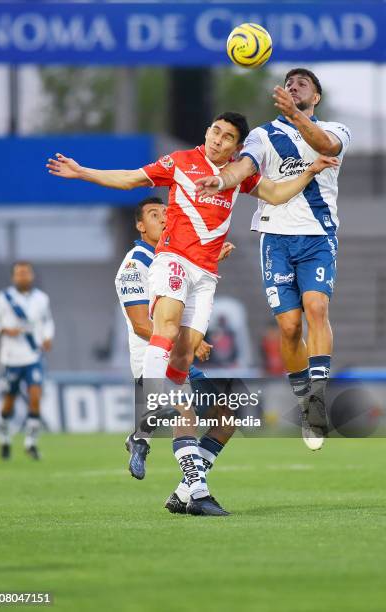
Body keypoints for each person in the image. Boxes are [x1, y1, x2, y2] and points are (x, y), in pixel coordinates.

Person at [47, 111, 338, 514]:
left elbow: (273, 194)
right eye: (214, 131)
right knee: (165, 329)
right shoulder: (180, 162)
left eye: (227, 136)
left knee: (184, 356)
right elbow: (131, 178)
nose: (218, 139)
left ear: (237, 146)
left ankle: (155, 451)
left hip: (206, 274)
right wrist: (83, 173)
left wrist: (310, 171)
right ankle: (154, 409)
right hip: (173, 261)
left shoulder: (238, 175)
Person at [195, 69, 351, 451]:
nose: (294, 86)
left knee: (316, 307)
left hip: (317, 235)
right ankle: (304, 397)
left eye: (303, 84)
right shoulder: (263, 135)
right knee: (288, 326)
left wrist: (297, 116)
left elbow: (325, 146)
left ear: (315, 97)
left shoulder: (337, 129)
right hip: (275, 237)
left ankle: (316, 398)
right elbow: (245, 166)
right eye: (290, 82)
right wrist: (222, 180)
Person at [115, 195, 236, 514]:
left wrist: (209, 262)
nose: (165, 219)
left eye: (168, 213)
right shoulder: (134, 265)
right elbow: (143, 325)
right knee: (187, 417)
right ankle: (199, 494)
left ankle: (181, 491)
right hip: (153, 361)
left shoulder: (174, 258)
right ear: (141, 226)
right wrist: (191, 341)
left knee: (226, 418)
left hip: (178, 357)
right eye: (155, 215)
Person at [0, 262, 54, 460]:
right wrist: (4, 330)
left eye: (26, 273)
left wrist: (47, 337)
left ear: (31, 276)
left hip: (33, 357)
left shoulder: (41, 298)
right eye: (19, 274)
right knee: (8, 403)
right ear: (14, 277)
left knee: (36, 397)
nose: (23, 277)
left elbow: (47, 322)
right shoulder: (3, 299)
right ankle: (4, 437)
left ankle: (31, 443)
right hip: (11, 359)